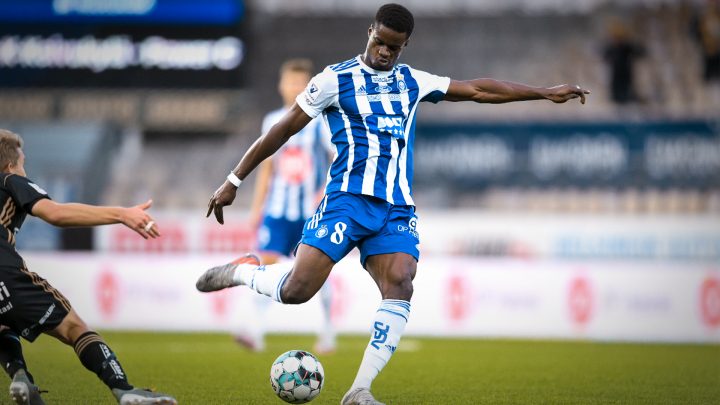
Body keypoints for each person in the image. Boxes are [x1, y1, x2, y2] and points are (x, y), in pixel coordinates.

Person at [196, 4, 589, 404]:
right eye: (379, 42)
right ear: (369, 32)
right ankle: (244, 272)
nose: (384, 52)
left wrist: (542, 92)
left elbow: (476, 89)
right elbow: (282, 129)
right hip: (345, 202)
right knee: (297, 290)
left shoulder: (412, 81)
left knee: (401, 281)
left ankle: (359, 390)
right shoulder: (334, 80)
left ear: (405, 46)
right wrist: (233, 180)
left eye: (393, 47)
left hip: (394, 209)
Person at [0, 129, 176, 405]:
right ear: (11, 164)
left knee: (2, 322)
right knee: (74, 328)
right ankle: (124, 390)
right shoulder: (10, 179)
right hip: (4, 271)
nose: (23, 167)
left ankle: (22, 378)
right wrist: (121, 213)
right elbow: (55, 213)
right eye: (22, 161)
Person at [238, 58, 336, 353]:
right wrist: (256, 209)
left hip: (310, 213)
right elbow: (267, 168)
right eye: (290, 82)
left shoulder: (319, 122)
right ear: (281, 86)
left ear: (309, 87)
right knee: (263, 267)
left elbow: (335, 159)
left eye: (300, 83)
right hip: (277, 212)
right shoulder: (271, 121)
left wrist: (327, 195)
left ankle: (328, 331)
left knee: (317, 273)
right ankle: (257, 332)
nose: (294, 88)